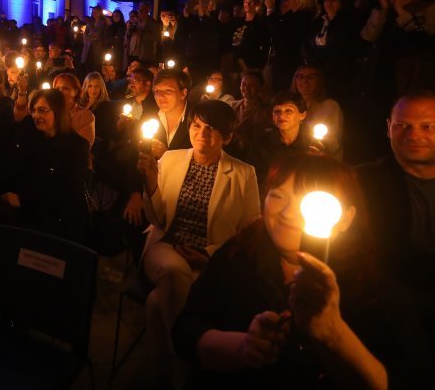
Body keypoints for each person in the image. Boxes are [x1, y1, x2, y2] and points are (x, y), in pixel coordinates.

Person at [173, 153, 433, 389]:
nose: (287, 212)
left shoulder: (376, 291)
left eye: (308, 201)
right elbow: (185, 332)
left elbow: (410, 378)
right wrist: (244, 348)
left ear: (344, 218)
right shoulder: (238, 255)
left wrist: (334, 333)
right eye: (277, 195)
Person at [137, 99, 261, 385]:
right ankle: (187, 362)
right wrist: (151, 183)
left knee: (157, 302)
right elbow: (157, 219)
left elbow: (249, 230)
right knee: (173, 271)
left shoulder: (243, 173)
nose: (202, 134)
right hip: (167, 246)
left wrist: (210, 256)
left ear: (228, 136)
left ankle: (162, 372)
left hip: (209, 259)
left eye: (212, 129)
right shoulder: (171, 159)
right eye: (197, 126)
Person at [356, 92, 435, 359]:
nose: (414, 135)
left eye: (428, 126)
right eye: (403, 125)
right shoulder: (361, 182)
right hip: (389, 318)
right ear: (388, 128)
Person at [0, 88, 90, 243]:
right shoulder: (32, 131)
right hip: (28, 209)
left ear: (58, 112)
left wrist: (22, 200)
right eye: (34, 110)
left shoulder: (77, 146)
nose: (37, 116)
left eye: (43, 110)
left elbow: (68, 193)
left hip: (56, 217)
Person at [290, 64, 343, 159]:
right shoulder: (289, 107)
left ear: (319, 81)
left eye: (310, 77)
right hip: (296, 158)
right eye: (300, 77)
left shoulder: (329, 106)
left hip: (323, 159)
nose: (304, 81)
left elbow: (333, 141)